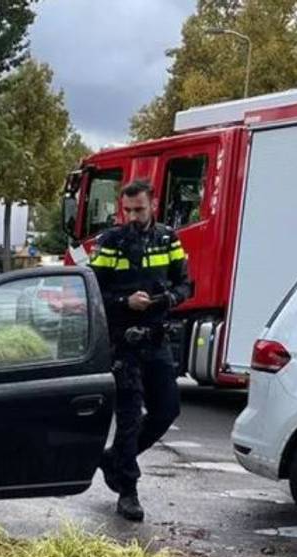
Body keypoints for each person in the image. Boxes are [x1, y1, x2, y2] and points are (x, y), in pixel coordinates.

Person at [89, 179, 191, 522]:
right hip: (124, 343)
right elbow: (93, 292)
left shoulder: (168, 238)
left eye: (139, 209)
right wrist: (124, 301)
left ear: (154, 205)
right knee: (130, 418)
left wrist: (167, 299)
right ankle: (127, 490)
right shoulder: (112, 242)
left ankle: (115, 458)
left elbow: (186, 284)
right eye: (128, 210)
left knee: (167, 411)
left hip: (157, 338)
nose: (133, 216)